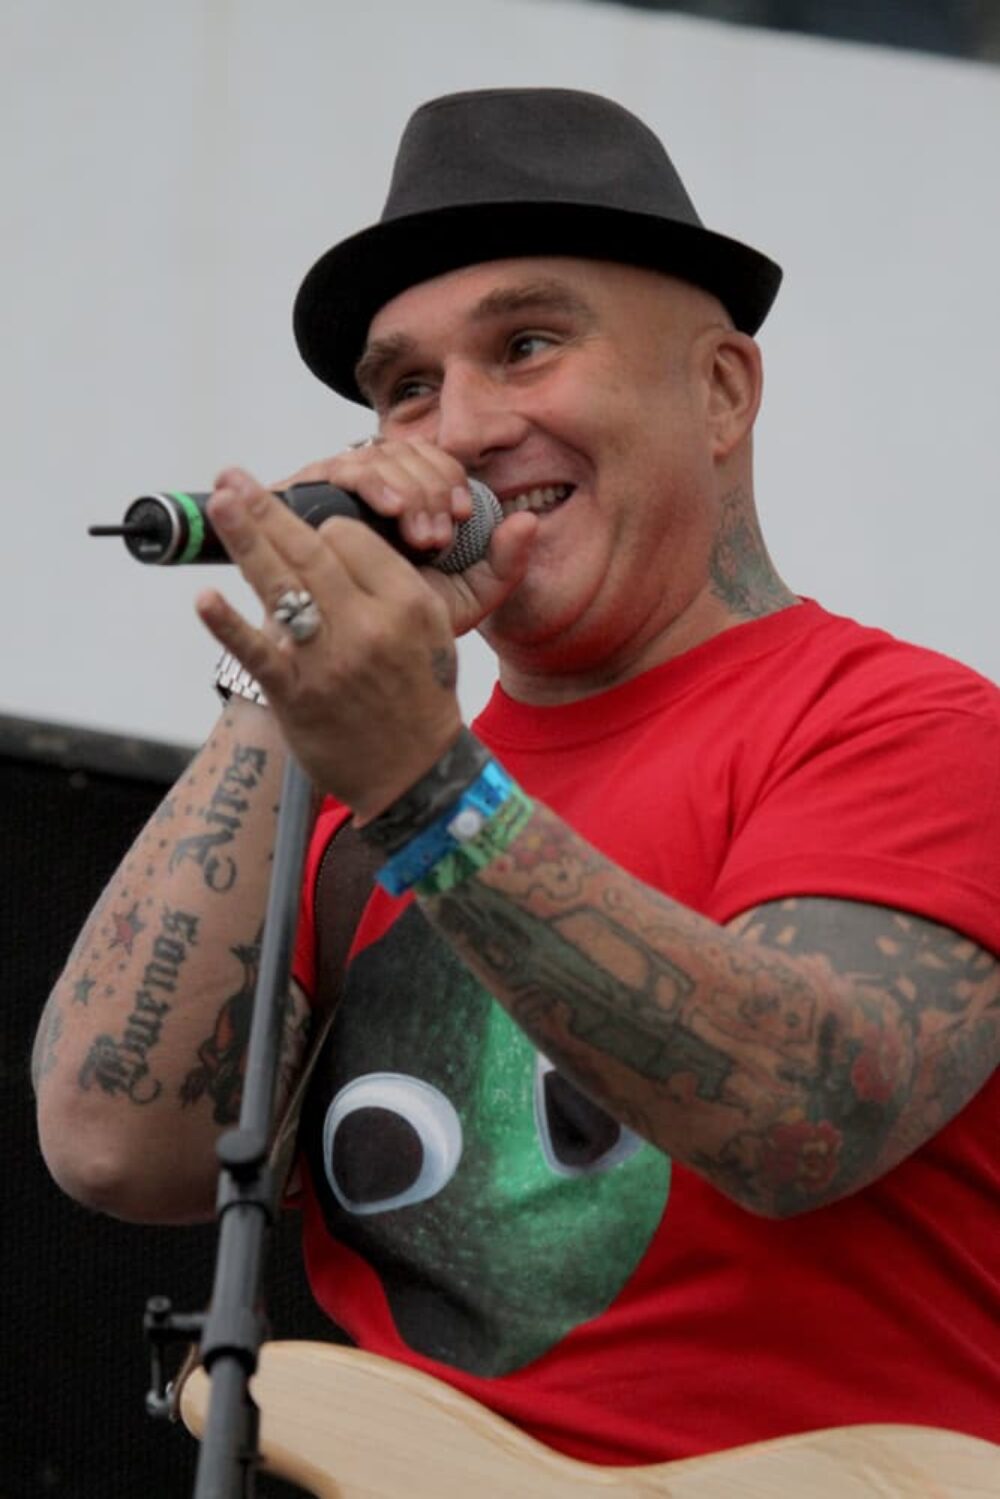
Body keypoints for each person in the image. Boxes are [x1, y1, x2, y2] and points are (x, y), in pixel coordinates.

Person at [33, 89, 1000, 1467]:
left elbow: (801, 1116)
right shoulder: (341, 795)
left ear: (720, 392)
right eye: (408, 389)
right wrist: (287, 667)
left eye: (527, 346)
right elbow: (115, 1148)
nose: (461, 430)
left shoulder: (909, 726)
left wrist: (429, 790)